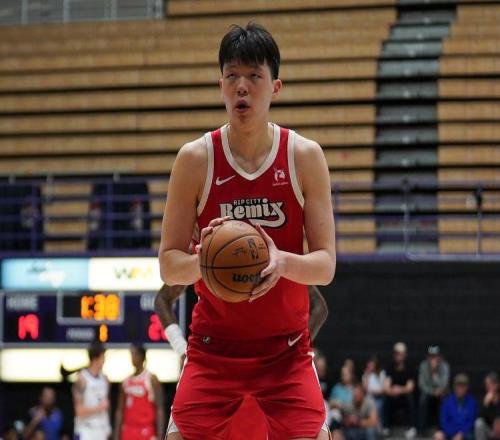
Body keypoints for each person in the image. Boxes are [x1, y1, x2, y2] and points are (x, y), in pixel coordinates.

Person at [158, 21, 336, 440]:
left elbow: (326, 265)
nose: (242, 87)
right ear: (220, 85)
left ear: (275, 87)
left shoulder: (305, 156)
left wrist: (281, 261)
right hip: (212, 350)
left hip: (286, 351)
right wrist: (205, 260)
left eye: (254, 76)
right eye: (232, 76)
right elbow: (168, 265)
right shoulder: (194, 159)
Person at [155, 283, 330, 439]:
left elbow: (319, 307)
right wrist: (182, 349)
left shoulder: (278, 261)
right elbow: (162, 299)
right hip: (216, 364)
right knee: (181, 433)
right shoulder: (207, 258)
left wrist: (294, 347)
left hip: (277, 369)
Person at [114, 344, 165, 440]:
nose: (132, 357)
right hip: (128, 431)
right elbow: (119, 411)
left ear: (141, 356)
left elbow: (159, 409)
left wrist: (160, 435)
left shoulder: (151, 379)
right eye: (131, 354)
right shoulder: (125, 382)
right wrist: (116, 436)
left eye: (134, 354)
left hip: (145, 431)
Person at [73, 341, 111, 440]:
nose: (104, 361)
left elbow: (106, 406)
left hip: (101, 429)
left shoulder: (105, 379)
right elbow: (79, 411)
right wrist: (99, 408)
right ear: (95, 359)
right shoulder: (82, 379)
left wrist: (107, 428)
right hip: (86, 429)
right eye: (103, 357)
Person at [384, 342, 417, 438]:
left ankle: (412, 427)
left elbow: (410, 388)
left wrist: (399, 389)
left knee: (410, 398)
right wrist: (392, 391)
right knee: (386, 398)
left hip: (405, 395)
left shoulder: (410, 367)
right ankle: (386, 427)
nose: (398, 356)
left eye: (401, 354)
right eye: (397, 354)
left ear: (405, 355)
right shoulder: (390, 367)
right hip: (393, 395)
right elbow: (386, 387)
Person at [433, 373, 476, 440]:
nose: (460, 389)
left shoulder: (471, 402)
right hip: (450, 432)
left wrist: (461, 434)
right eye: (458, 386)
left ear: (467, 388)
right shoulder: (447, 401)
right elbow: (444, 421)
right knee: (438, 435)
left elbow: (471, 421)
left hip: (465, 434)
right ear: (454, 387)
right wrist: (453, 433)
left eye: (463, 386)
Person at [418, 346, 450, 434]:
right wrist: (432, 392)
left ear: (439, 357)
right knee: (423, 399)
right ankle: (421, 429)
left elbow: (444, 384)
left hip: (441, 391)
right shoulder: (423, 365)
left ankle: (441, 428)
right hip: (428, 392)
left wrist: (435, 374)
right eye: (431, 356)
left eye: (435, 356)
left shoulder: (444, 366)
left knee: (444, 399)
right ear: (427, 357)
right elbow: (422, 384)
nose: (433, 359)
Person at [362, 356, 386, 430]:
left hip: (379, 397)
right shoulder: (365, 375)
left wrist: (374, 392)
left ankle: (380, 426)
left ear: (375, 365)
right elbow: (365, 389)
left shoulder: (381, 373)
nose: (370, 366)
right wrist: (366, 376)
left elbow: (383, 390)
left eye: (372, 365)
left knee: (377, 406)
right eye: (369, 365)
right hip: (368, 398)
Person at [329, 365, 355, 431]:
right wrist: (335, 403)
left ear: (351, 375)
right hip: (338, 416)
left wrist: (343, 405)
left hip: (350, 415)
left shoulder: (354, 389)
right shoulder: (336, 388)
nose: (343, 376)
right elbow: (330, 403)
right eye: (342, 374)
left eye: (346, 374)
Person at [475, 372, 500, 440]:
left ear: (497, 385)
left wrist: (495, 403)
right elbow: (479, 416)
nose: (487, 387)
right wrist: (485, 404)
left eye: (489, 384)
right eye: (486, 384)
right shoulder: (485, 397)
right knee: (479, 423)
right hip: (490, 431)